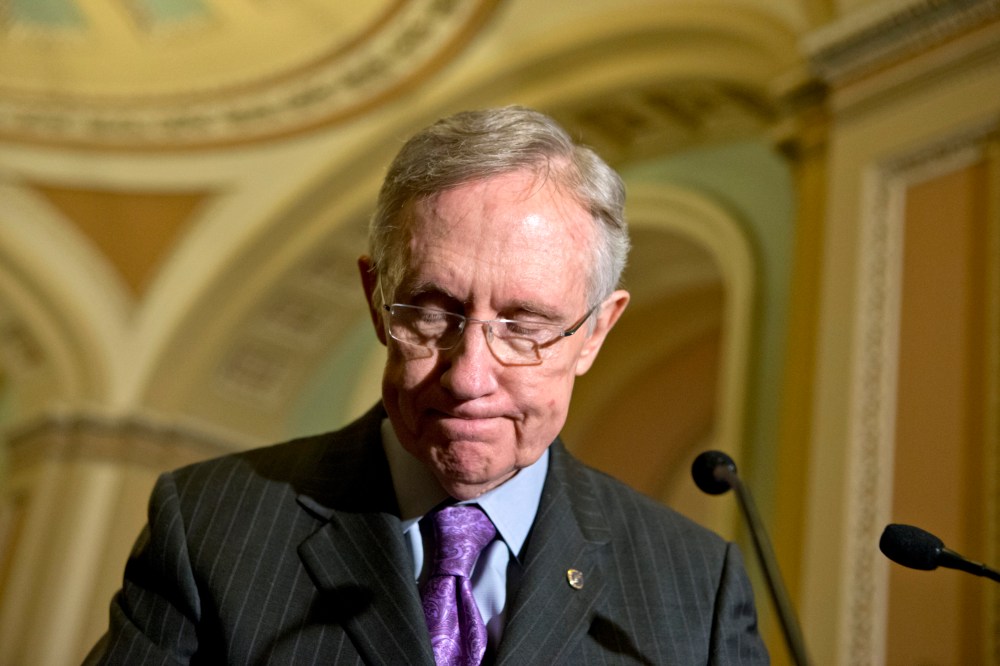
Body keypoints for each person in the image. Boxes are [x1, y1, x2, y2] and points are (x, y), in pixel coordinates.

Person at [86, 106, 767, 665]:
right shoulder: (211, 525)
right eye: (432, 314)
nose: (469, 376)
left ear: (594, 333)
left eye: (524, 325)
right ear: (377, 302)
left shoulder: (696, 587)